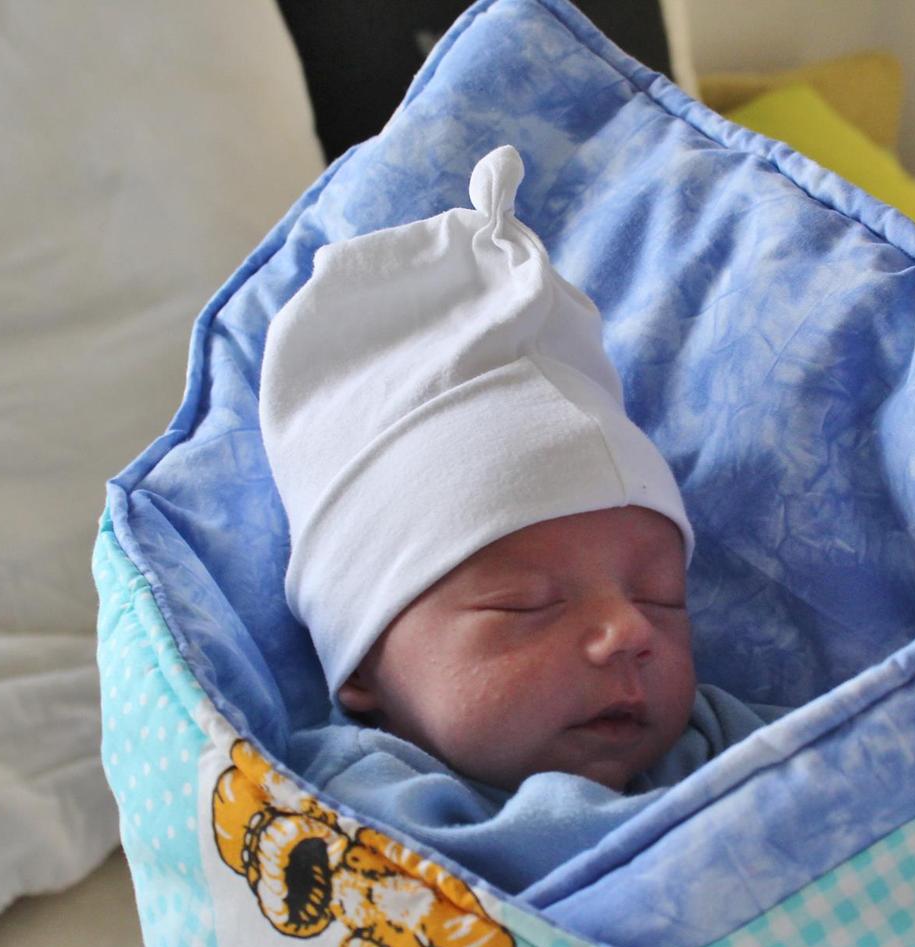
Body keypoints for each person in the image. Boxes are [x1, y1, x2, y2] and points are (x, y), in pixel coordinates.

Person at [259, 146, 789, 892]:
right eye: (527, 604)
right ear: (365, 665)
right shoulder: (360, 802)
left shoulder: (717, 741)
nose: (630, 632)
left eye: (661, 597)